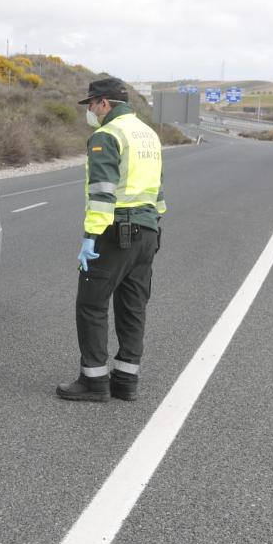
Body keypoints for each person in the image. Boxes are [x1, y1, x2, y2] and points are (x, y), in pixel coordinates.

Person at [58, 77, 165, 402]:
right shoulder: (148, 134)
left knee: (91, 304)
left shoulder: (107, 135)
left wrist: (91, 237)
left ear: (104, 103)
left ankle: (93, 381)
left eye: (91, 104)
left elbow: (102, 193)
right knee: (133, 307)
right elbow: (156, 187)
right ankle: (126, 380)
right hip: (148, 231)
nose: (90, 111)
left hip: (115, 232)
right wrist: (152, 223)